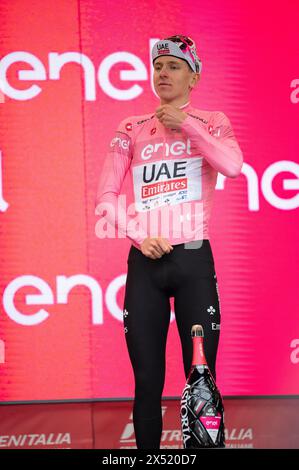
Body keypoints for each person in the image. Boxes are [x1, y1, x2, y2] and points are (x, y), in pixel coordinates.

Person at [95, 35, 243, 449]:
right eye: (158, 66)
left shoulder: (212, 120)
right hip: (146, 263)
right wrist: (142, 237)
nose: (163, 73)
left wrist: (188, 125)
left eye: (174, 66)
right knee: (146, 381)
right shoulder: (131, 127)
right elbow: (105, 198)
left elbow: (232, 165)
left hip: (194, 263)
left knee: (200, 376)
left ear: (193, 76)